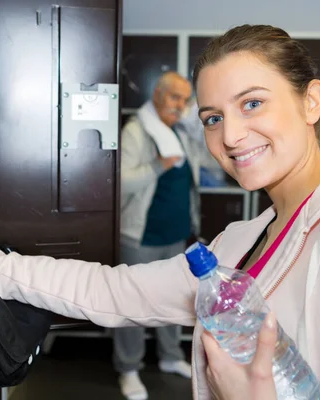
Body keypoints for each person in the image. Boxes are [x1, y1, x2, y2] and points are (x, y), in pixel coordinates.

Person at [0, 24, 320, 399]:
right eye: (211, 117)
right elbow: (112, 292)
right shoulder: (237, 246)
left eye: (253, 103)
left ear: (311, 101)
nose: (229, 136)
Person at [113, 70, 217, 400]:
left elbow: (204, 165)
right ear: (158, 95)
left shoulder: (181, 132)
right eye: (175, 97)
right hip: (140, 237)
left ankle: (170, 357)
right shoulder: (136, 132)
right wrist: (158, 164)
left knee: (174, 300)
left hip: (177, 235)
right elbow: (121, 183)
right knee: (132, 305)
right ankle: (129, 369)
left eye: (186, 100)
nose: (180, 105)